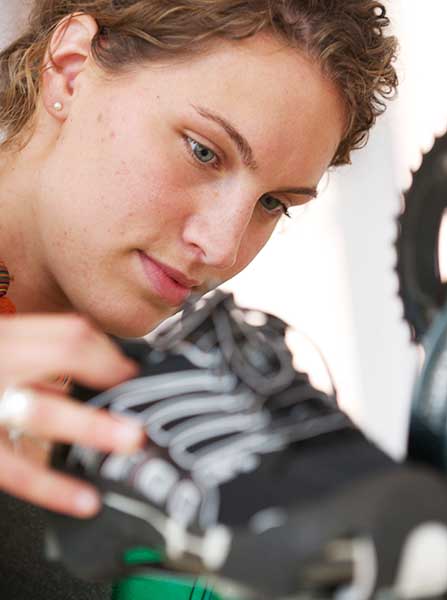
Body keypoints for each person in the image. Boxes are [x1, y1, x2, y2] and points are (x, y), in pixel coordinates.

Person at [0, 0, 397, 598]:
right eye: (203, 151)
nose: (220, 247)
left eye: (272, 204)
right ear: (71, 69)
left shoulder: (170, 460)